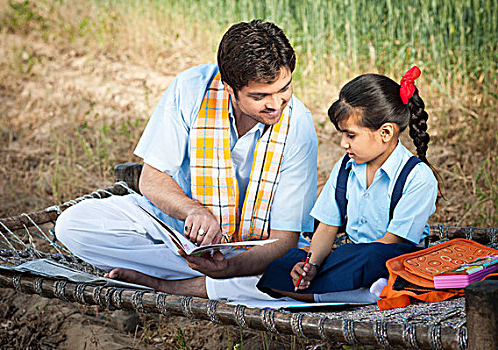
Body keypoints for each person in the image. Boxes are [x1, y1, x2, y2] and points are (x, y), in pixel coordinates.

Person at [55, 20, 318, 300]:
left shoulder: (298, 125)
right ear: (229, 87)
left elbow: (283, 241)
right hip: (179, 238)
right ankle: (216, 283)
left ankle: (171, 285)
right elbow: (152, 179)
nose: (276, 104)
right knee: (74, 225)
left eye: (284, 89)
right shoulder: (191, 88)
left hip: (255, 254)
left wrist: (229, 267)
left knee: (294, 275)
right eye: (260, 96)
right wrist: (192, 211)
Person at [257, 66, 439, 302]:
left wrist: (340, 256)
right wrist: (310, 264)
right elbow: (326, 228)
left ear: (385, 132)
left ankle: (340, 291)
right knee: (284, 264)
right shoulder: (346, 167)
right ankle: (358, 293)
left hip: (388, 259)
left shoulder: (418, 177)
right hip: (349, 258)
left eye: (350, 135)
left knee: (370, 257)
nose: (343, 143)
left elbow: (393, 243)